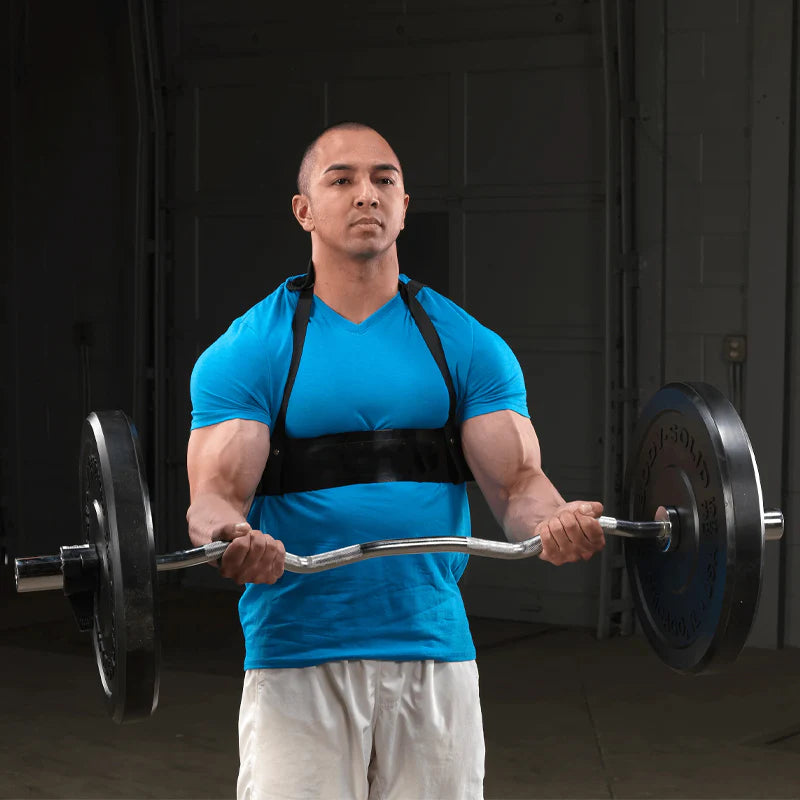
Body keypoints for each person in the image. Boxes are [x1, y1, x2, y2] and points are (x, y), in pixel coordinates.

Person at [186, 121, 606, 800]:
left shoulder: (467, 346)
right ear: (303, 210)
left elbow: (519, 487)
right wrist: (229, 538)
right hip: (298, 656)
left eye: (384, 180)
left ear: (405, 207)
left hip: (433, 654)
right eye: (342, 180)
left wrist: (556, 523)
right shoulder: (249, 350)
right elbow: (213, 497)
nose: (367, 194)